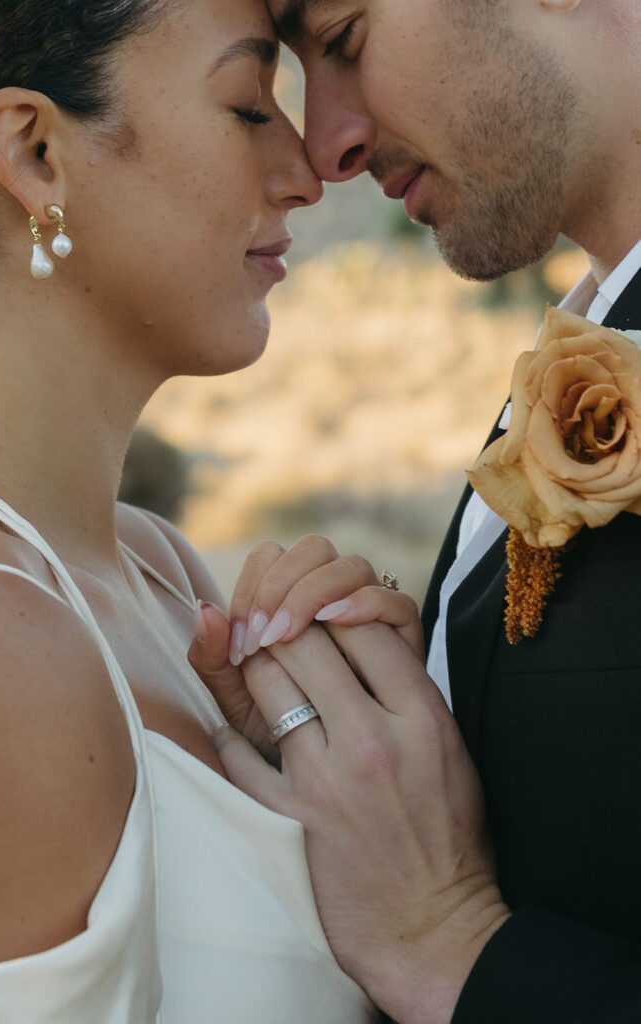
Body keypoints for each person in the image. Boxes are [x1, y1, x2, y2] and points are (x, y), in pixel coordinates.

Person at [0, 1, 427, 1020]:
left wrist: (355, 781)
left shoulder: (156, 567)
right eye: (249, 105)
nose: (307, 170)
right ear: (37, 153)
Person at [196, 0, 641, 1021]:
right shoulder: (582, 342)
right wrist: (409, 708)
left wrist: (453, 948)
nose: (328, 145)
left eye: (345, 41)